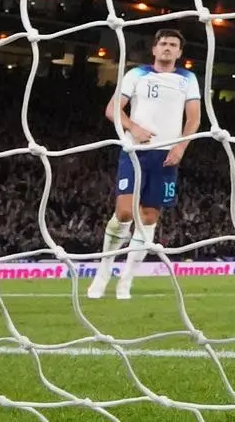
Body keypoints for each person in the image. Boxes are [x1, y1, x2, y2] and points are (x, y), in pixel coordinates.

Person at [88, 30, 201, 300]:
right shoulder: (136, 74)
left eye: (173, 45)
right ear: (154, 49)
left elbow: (193, 119)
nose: (167, 48)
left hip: (166, 156)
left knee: (149, 217)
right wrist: (133, 127)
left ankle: (126, 281)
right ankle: (102, 275)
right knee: (125, 213)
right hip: (135, 151)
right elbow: (112, 108)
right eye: (163, 43)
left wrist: (180, 147)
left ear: (179, 52)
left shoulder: (188, 79)